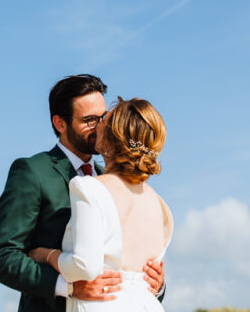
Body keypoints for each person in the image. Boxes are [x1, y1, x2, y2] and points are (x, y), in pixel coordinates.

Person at [0, 75, 165, 312]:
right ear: (60, 123)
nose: (101, 126)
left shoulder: (118, 182)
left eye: (103, 117)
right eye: (89, 120)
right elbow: (3, 258)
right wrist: (66, 286)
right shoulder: (32, 172)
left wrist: (157, 284)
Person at [26, 97, 172, 312]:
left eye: (104, 119)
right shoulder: (160, 205)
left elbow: (84, 267)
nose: (97, 125)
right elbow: (147, 276)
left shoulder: (91, 188)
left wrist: (47, 255)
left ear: (113, 137)